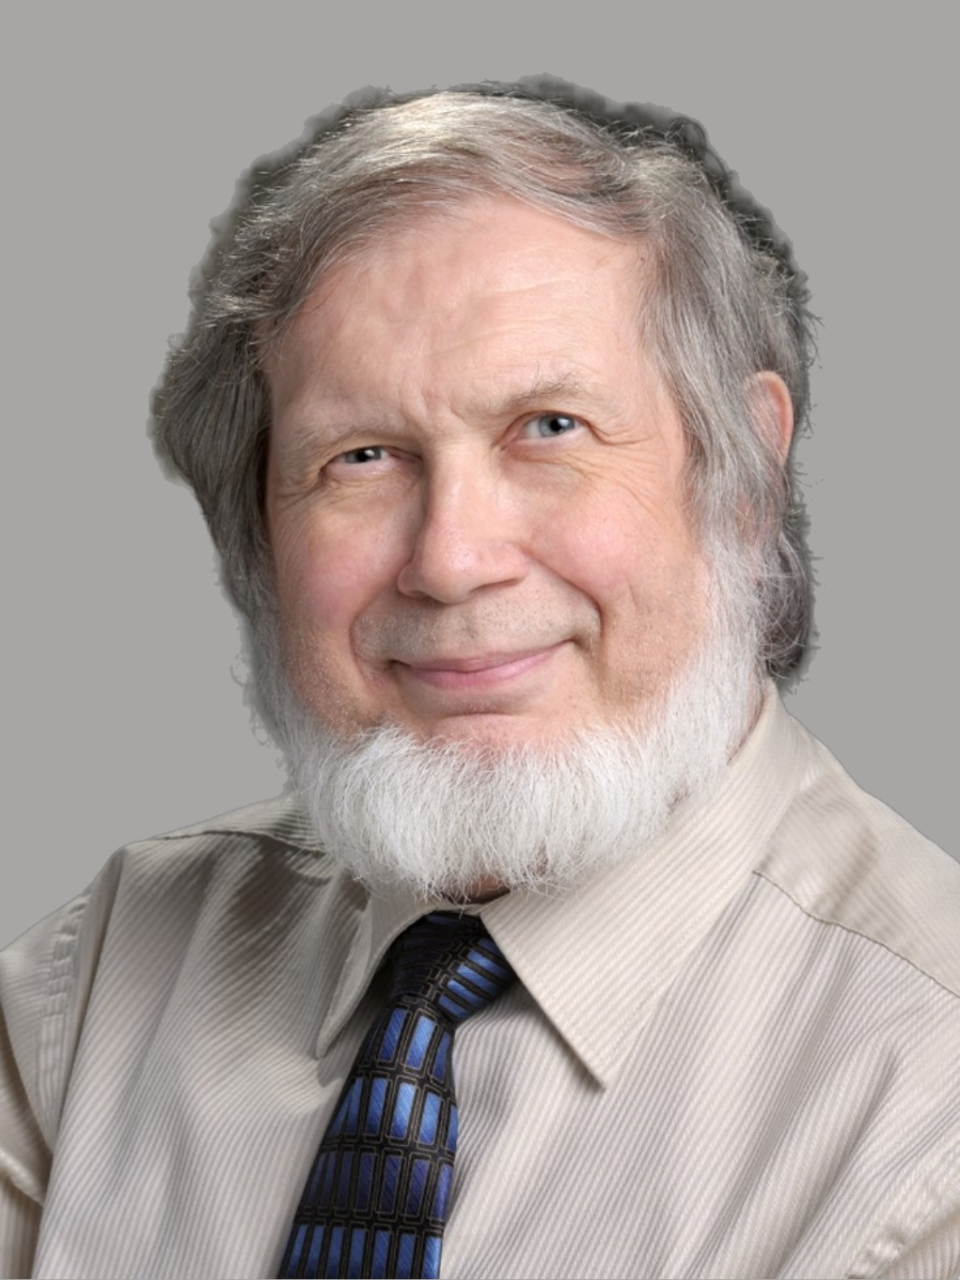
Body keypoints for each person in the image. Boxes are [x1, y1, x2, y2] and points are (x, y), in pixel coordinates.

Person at [1, 80, 958, 1280]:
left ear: (745, 475)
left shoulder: (929, 1104)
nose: (451, 559)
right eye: (361, 456)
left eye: (549, 427)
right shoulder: (101, 980)